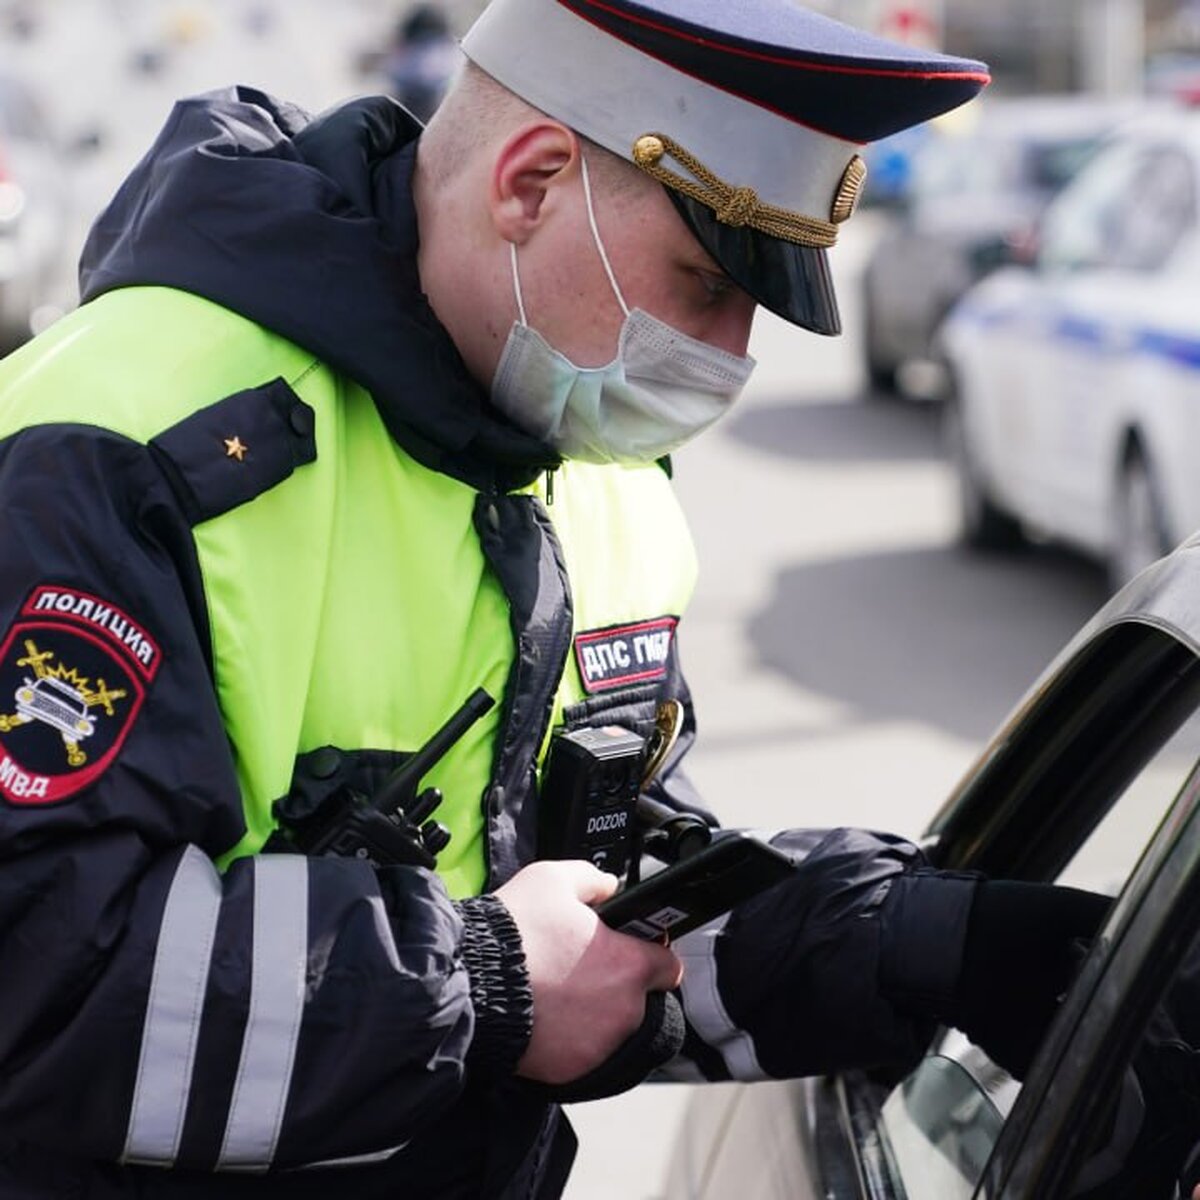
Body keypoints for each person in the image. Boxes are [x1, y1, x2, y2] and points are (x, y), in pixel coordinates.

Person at [0, 0, 1110, 1196]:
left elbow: (617, 923)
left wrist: (924, 947)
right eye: (701, 280)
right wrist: (483, 980)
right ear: (529, 183)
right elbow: (40, 979)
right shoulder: (117, 443)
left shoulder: (602, 481)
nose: (730, 354)